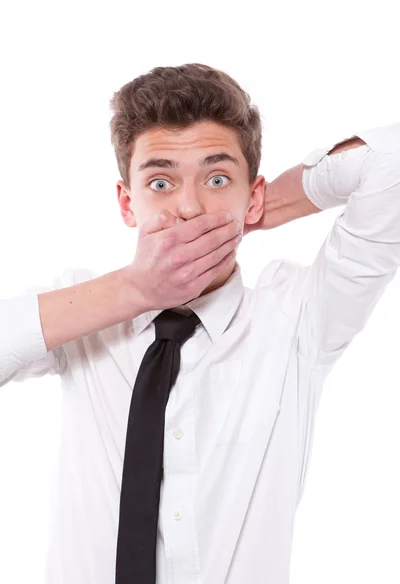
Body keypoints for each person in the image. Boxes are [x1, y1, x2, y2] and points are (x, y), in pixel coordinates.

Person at [1, 62, 399, 584]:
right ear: (128, 204)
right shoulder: (82, 312)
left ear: (250, 194)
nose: (189, 207)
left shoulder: (296, 319)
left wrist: (263, 210)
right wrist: (136, 289)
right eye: (160, 182)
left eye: (217, 179)